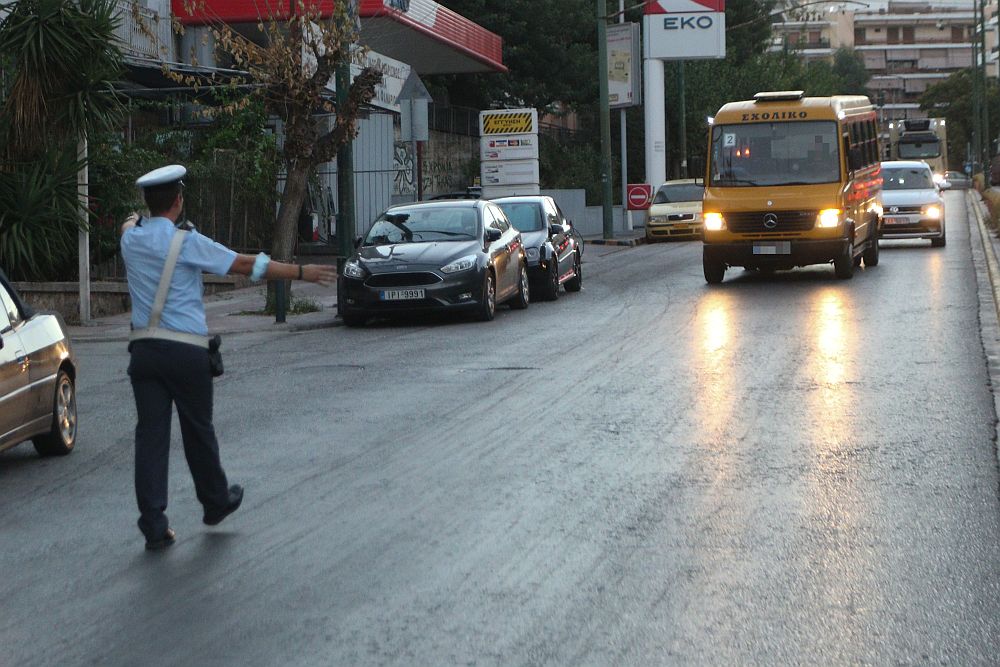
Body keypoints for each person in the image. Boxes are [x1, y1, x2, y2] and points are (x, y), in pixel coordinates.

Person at [121, 164, 337, 551]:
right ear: (179, 201)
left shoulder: (131, 241)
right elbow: (243, 263)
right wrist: (301, 272)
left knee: (150, 438)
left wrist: (133, 221)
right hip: (186, 351)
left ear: (148, 204)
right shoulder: (187, 243)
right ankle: (215, 501)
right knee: (197, 430)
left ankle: (154, 523)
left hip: (144, 353)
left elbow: (125, 226)